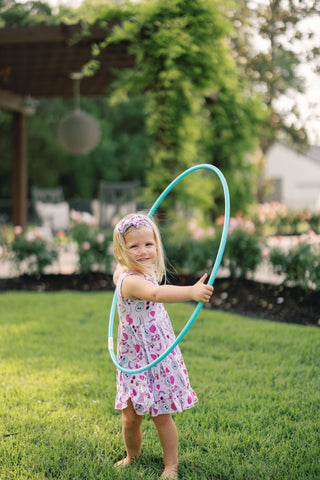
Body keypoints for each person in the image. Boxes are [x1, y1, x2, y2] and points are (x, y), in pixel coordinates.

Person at [112, 213, 213, 479]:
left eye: (149, 244)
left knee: (161, 415)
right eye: (134, 246)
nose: (143, 251)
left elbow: (155, 291)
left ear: (157, 245)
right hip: (135, 359)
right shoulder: (129, 279)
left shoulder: (142, 273)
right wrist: (191, 292)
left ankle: (171, 465)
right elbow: (156, 294)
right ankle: (132, 455)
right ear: (121, 250)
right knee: (130, 416)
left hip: (157, 355)